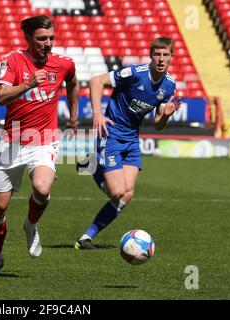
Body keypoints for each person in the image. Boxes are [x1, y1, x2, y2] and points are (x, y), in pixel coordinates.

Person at [0, 15, 79, 277]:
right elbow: (2, 97)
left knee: (42, 187)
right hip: (12, 139)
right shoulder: (13, 60)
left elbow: (72, 82)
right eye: (41, 39)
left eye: (51, 38)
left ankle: (30, 225)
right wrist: (28, 84)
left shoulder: (63, 63)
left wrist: (73, 116)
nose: (47, 44)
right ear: (28, 39)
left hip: (44, 139)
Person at [74, 37, 182, 249]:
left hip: (132, 138)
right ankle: (91, 165)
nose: (161, 59)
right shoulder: (135, 73)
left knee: (127, 193)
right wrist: (97, 113)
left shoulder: (168, 86)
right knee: (116, 191)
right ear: (151, 55)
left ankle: (86, 237)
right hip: (111, 133)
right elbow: (96, 81)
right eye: (157, 54)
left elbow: (158, 124)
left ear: (171, 57)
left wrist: (166, 116)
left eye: (165, 55)